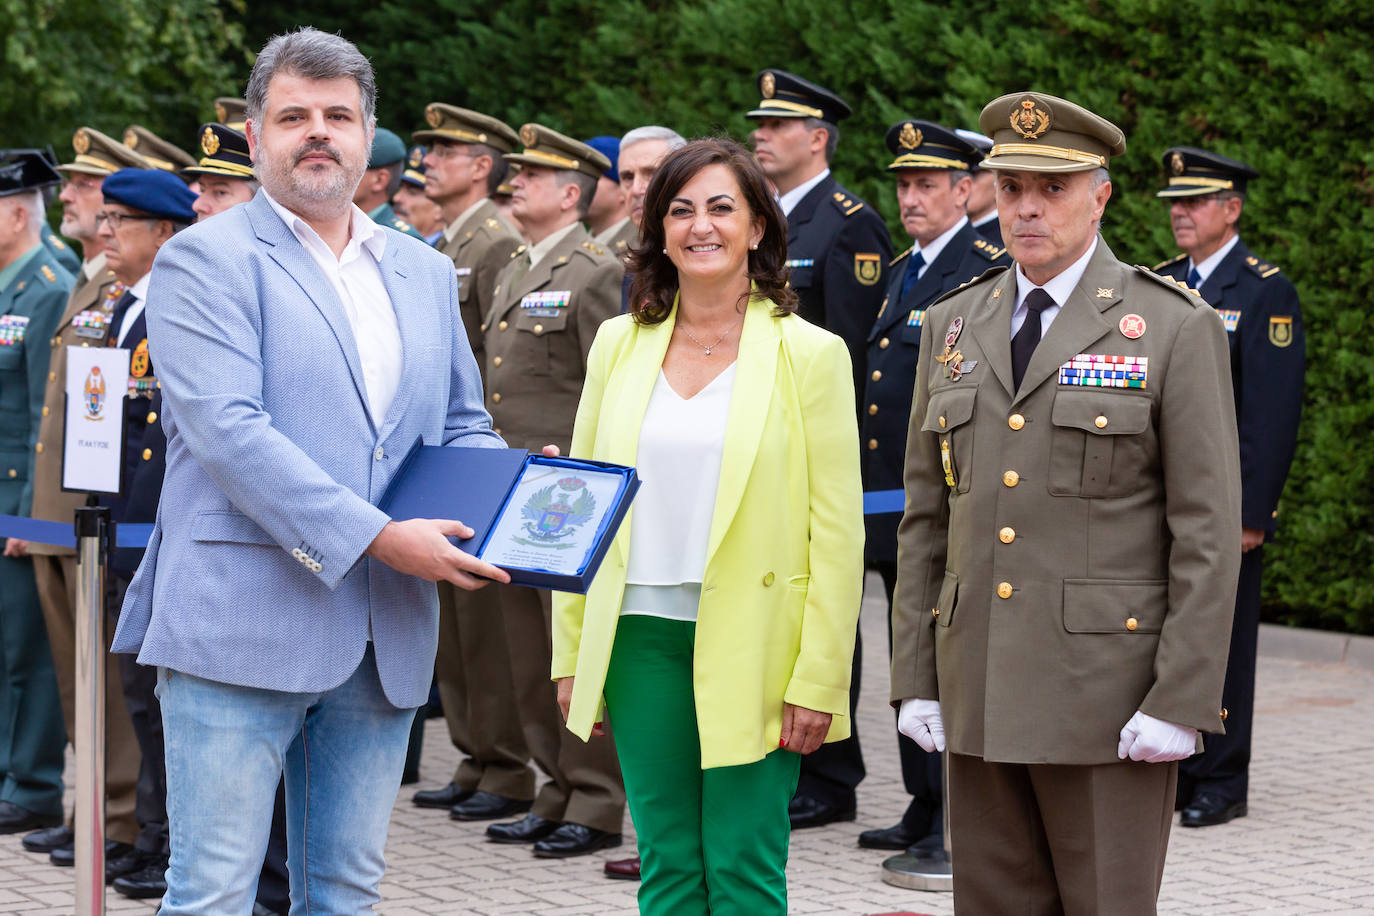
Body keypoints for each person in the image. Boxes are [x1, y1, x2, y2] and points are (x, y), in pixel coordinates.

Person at [109, 27, 512, 912]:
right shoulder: (201, 260)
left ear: (369, 136)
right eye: (294, 116)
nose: (317, 132)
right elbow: (230, 433)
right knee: (212, 888)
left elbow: (458, 422)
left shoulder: (422, 270)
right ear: (255, 138)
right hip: (237, 622)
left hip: (382, 634)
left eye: (339, 114)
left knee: (344, 890)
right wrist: (376, 536)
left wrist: (512, 491)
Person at [890, 91, 1242, 914]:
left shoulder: (1169, 326)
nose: (1028, 208)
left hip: (1107, 698)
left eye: (1053, 188)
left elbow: (1205, 530)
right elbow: (926, 518)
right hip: (977, 683)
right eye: (1011, 188)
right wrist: (917, 676)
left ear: (1100, 195)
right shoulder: (951, 320)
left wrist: (1181, 697)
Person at [552, 136, 863, 914]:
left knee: (743, 869)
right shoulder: (617, 346)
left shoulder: (811, 355)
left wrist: (819, 676)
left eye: (722, 208)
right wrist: (570, 654)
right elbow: (581, 509)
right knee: (667, 866)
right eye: (681, 209)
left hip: (757, 642)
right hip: (638, 636)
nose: (701, 226)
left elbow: (838, 532)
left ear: (758, 227)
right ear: (658, 229)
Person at [110, 126, 264, 904]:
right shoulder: (191, 279)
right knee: (158, 703)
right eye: (198, 190)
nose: (198, 203)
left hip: (263, 548)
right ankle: (163, 845)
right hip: (172, 527)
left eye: (219, 191)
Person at [856, 119, 1008, 857]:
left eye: (926, 185)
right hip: (892, 500)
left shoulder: (983, 268)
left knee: (946, 652)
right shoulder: (902, 270)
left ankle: (956, 815)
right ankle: (923, 800)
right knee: (906, 647)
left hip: (951, 501)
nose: (911, 199)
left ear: (962, 189)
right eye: (903, 185)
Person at [745, 67, 891, 830]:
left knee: (831, 608)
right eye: (757, 124)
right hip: (760, 451)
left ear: (818, 138)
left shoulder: (849, 223)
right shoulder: (760, 218)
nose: (760, 135)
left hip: (817, 451)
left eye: (776, 125)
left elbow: (859, 353)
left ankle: (833, 775)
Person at [478, 124, 628, 857]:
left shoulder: (597, 270)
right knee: (526, 649)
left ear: (571, 192)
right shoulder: (515, 266)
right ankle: (552, 785)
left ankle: (596, 799)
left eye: (533, 175)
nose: (516, 182)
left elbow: (612, 385)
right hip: (512, 485)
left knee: (571, 648)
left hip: (567, 491)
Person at [1154, 147, 1305, 829]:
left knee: (1226, 641)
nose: (1180, 214)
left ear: (1232, 209)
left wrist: (1252, 512)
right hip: (1160, 503)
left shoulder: (1263, 289)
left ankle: (1222, 778)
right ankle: (1180, 765)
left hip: (1223, 508)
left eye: (1195, 202)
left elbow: (1272, 412)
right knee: (1169, 636)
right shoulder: (1160, 283)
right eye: (1174, 203)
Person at [16, 126, 148, 868]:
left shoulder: (127, 287)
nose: (71, 198)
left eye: (85, 187)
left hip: (97, 514)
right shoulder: (91, 276)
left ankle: (121, 815)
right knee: (77, 673)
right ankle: (93, 805)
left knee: (107, 669)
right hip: (58, 510)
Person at [408, 102, 535, 822]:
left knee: (486, 630)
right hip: (447, 455)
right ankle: (476, 752)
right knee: (456, 627)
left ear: (482, 165)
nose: (430, 161)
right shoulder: (447, 239)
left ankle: (505, 763)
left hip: (478, 447)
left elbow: (489, 364)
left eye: (445, 151)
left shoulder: (491, 242)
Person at [91, 167, 199, 888]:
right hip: (122, 524)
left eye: (120, 222)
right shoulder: (128, 305)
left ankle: (169, 846)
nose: (104, 233)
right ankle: (150, 834)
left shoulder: (169, 306)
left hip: (153, 527)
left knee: (160, 699)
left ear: (163, 233)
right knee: (136, 693)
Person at [0, 152, 73, 843]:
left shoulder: (49, 287)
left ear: (18, 213)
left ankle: (34, 784)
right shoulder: (4, 285)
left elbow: (47, 415)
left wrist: (31, 513)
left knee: (26, 649)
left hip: (18, 497)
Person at [353, 126, 425, 239]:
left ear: (379, 180)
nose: (339, 175)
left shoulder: (403, 239)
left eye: (352, 169)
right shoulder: (342, 226)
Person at [583, 135, 634, 254]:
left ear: (624, 188)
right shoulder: (579, 246)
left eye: (589, 177)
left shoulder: (641, 248)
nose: (577, 186)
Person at [956, 128, 1001, 245]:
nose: (962, 187)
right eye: (956, 179)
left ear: (998, 181)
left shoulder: (1009, 244)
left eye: (972, 176)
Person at [394, 145, 445, 244]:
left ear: (440, 207)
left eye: (412, 193)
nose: (396, 198)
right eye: (400, 188)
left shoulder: (449, 255)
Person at [121, 126, 196, 176]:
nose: (127, 141)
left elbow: (177, 155)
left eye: (129, 137)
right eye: (126, 138)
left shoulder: (153, 145)